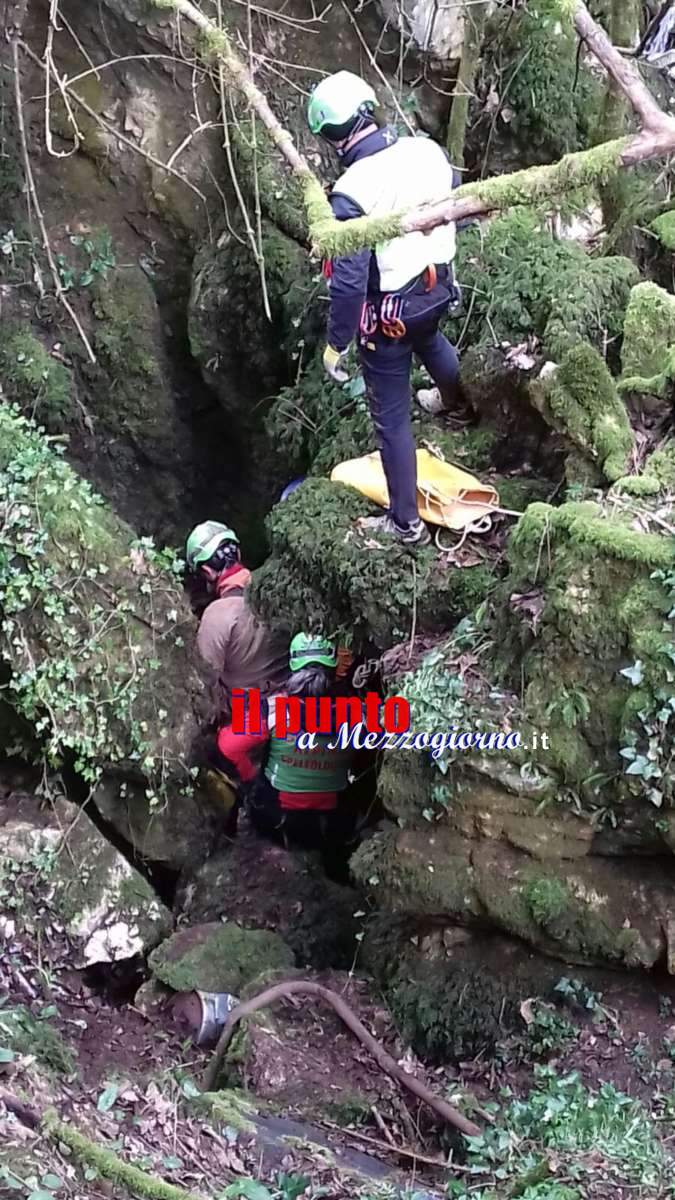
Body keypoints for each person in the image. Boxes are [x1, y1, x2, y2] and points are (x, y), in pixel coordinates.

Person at [307, 70, 462, 548]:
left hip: (391, 313)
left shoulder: (352, 190)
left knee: (391, 416)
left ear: (331, 137)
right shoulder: (425, 149)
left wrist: (336, 343)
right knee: (432, 339)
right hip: (439, 288)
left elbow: (350, 279)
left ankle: (405, 523)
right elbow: (453, 189)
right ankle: (459, 405)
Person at [185, 520, 289, 815]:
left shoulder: (217, 617)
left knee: (225, 747)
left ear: (206, 571)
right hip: (302, 692)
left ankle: (255, 792)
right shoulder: (275, 588)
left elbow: (205, 678)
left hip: (267, 710)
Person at [247, 633, 359, 872]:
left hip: (277, 818)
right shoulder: (358, 712)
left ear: (291, 665)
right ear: (333, 666)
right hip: (333, 822)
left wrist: (248, 778)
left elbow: (228, 747)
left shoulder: (272, 708)